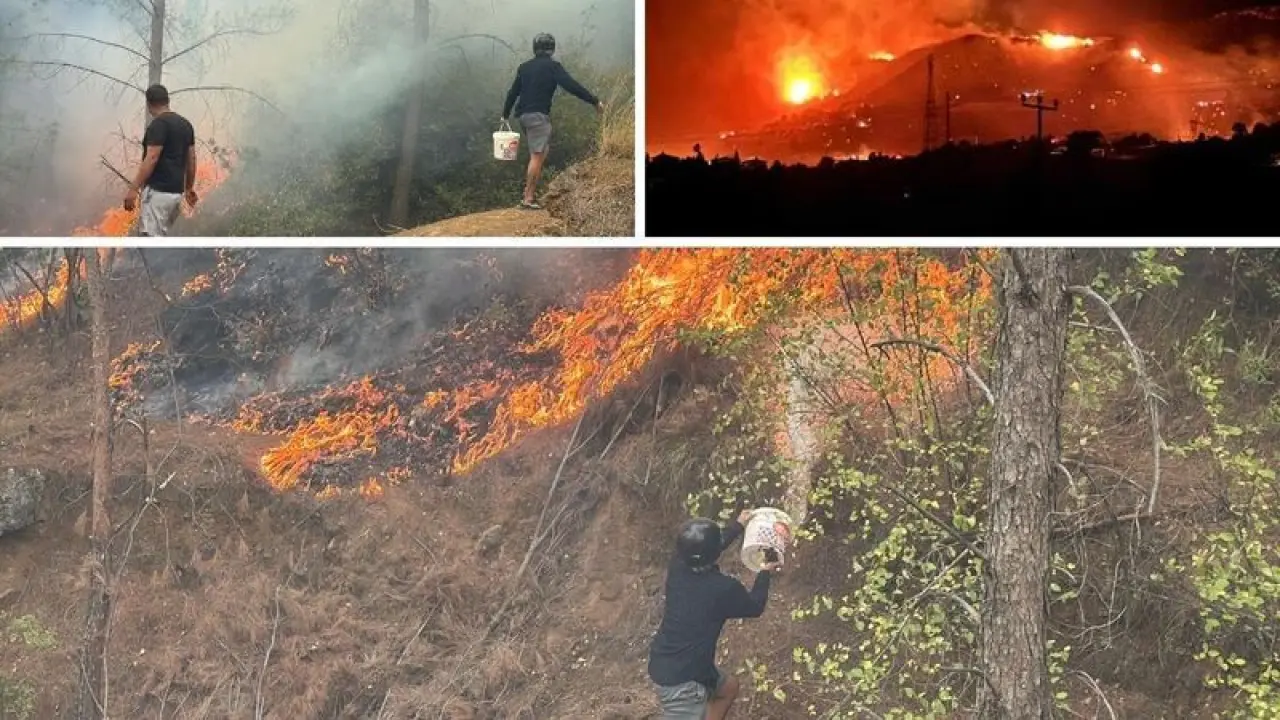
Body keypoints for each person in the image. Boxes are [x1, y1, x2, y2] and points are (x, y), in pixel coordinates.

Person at [648, 510, 782, 719]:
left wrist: (738, 525)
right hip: (681, 683)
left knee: (728, 689)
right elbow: (755, 606)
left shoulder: (679, 565)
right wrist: (765, 572)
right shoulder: (722, 589)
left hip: (675, 662)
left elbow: (705, 549)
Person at [501, 32, 603, 210]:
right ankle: (528, 198)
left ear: (535, 48)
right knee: (537, 156)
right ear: (552, 49)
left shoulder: (524, 67)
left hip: (523, 117)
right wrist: (594, 101)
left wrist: (505, 114)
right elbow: (571, 85)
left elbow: (513, 92)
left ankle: (528, 196)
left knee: (542, 150)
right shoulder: (553, 67)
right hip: (538, 116)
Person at [123, 84, 197, 236]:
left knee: (150, 238)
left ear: (149, 104)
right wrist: (189, 188)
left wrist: (133, 188)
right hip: (175, 195)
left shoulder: (158, 125)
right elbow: (192, 159)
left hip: (158, 194)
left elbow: (152, 157)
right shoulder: (185, 125)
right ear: (167, 100)